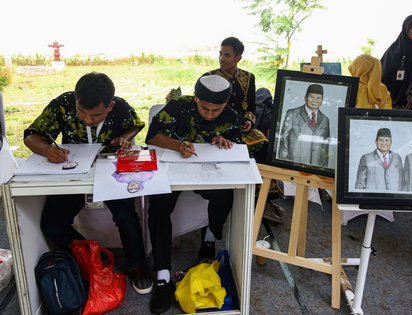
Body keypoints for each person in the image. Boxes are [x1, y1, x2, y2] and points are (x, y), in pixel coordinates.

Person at [23, 72, 153, 295]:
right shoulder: (63, 104)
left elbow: (135, 125)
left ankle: (136, 265)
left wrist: (125, 137)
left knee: (126, 216)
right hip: (74, 172)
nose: (88, 119)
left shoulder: (120, 107)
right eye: (81, 111)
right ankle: (94, 256)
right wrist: (47, 150)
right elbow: (31, 135)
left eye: (96, 115)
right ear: (76, 99)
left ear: (110, 106)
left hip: (110, 171)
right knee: (52, 224)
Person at [145, 75, 242, 314]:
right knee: (158, 206)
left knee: (225, 195)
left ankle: (209, 238)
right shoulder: (179, 106)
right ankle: (162, 274)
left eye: (216, 110)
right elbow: (152, 136)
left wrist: (223, 140)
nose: (209, 114)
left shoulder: (231, 117)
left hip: (206, 174)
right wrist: (178, 145)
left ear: (226, 104)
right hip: (172, 172)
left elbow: (237, 146)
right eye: (204, 108)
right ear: (196, 98)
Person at [204, 36, 283, 224]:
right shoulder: (209, 77)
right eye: (220, 54)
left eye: (227, 55)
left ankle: (261, 198)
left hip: (241, 128)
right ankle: (233, 196)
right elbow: (203, 109)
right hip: (216, 129)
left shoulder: (248, 77)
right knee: (231, 148)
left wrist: (248, 120)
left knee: (263, 145)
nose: (222, 59)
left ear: (238, 57)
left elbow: (251, 107)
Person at [278, 84, 330, 167]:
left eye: (318, 98)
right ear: (305, 98)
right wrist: (284, 162)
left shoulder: (325, 119)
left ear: (322, 100)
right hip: (294, 163)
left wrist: (323, 167)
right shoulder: (293, 113)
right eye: (311, 97)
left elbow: (325, 145)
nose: (314, 101)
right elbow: (284, 138)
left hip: (315, 166)